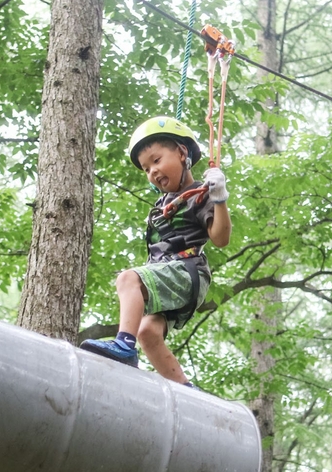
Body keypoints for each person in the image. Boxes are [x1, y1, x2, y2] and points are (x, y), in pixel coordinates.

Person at [80, 116, 231, 386]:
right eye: (147, 169)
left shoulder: (200, 193)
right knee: (147, 331)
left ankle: (124, 347)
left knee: (128, 279)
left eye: (157, 160)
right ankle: (185, 389)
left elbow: (220, 238)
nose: (152, 172)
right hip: (175, 276)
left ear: (182, 153)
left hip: (187, 271)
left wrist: (218, 199)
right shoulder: (166, 202)